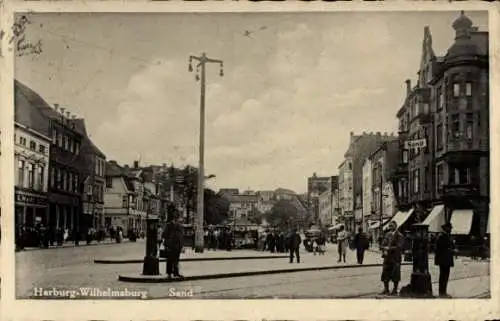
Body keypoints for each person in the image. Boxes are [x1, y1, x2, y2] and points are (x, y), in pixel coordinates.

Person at [380, 221, 404, 295]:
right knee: (385, 274)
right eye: (389, 226)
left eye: (392, 226)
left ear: (396, 226)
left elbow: (399, 247)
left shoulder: (400, 235)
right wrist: (383, 247)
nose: (390, 227)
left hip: (395, 258)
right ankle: (386, 289)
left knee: (395, 275)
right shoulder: (388, 234)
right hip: (387, 258)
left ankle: (394, 290)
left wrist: (389, 248)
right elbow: (383, 243)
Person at [434, 222, 455, 298]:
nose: (451, 230)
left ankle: (443, 292)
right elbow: (442, 248)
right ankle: (442, 293)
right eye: (450, 228)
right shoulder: (442, 236)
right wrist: (452, 250)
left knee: (444, 276)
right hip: (444, 259)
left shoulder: (445, 235)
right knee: (444, 276)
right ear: (446, 228)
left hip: (445, 259)